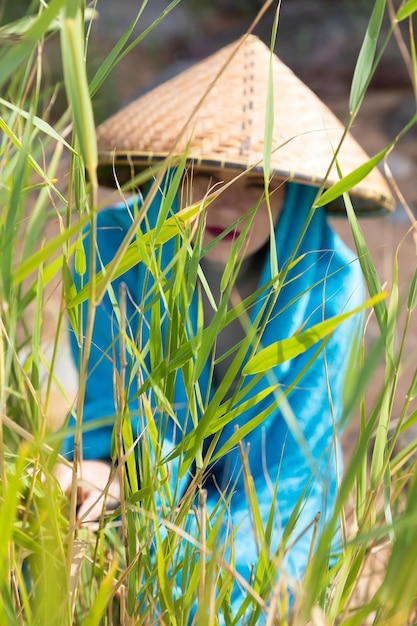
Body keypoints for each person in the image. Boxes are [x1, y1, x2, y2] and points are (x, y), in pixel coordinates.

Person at [58, 35, 394, 618]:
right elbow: (103, 414)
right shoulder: (110, 250)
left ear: (297, 196)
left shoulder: (329, 282)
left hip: (268, 491)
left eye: (259, 185)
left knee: (244, 571)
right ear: (169, 173)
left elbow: (294, 469)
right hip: (143, 476)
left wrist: (190, 534)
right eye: (203, 175)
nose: (224, 206)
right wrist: (95, 473)